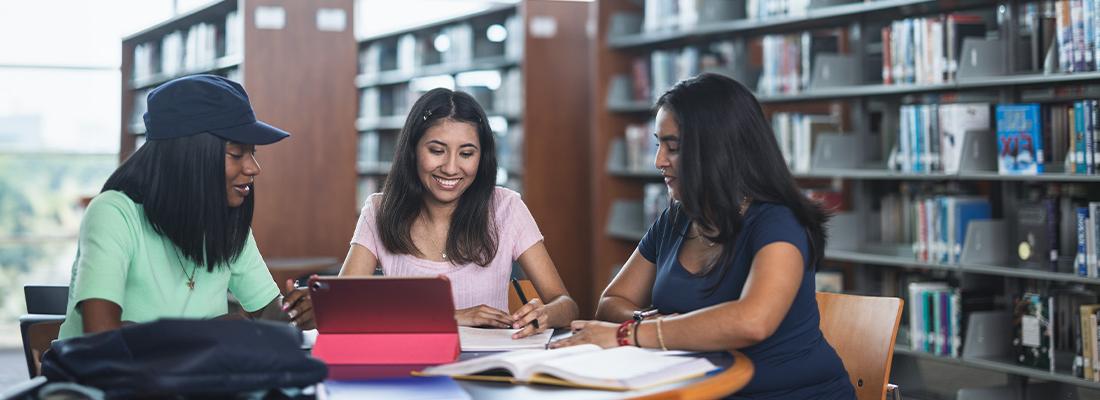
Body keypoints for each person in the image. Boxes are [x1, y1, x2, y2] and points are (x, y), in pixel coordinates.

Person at [550, 73, 855, 399]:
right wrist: (647, 321)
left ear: (719, 149)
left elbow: (753, 321)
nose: (659, 161)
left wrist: (632, 334)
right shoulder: (676, 219)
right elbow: (611, 303)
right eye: (658, 144)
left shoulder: (780, 220)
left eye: (674, 147)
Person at [58, 75, 313, 340]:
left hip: (195, 379)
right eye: (236, 154)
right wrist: (212, 331)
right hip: (111, 381)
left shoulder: (226, 222)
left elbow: (268, 314)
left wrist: (301, 311)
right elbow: (101, 337)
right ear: (188, 156)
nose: (253, 168)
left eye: (252, 153)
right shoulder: (114, 213)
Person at [338, 88, 578, 339]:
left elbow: (566, 304)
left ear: (481, 157)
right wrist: (451, 316)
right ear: (412, 150)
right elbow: (341, 310)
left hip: (488, 369)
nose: (451, 168)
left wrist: (546, 314)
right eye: (437, 150)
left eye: (466, 154)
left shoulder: (507, 207)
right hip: (409, 367)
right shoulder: (378, 211)